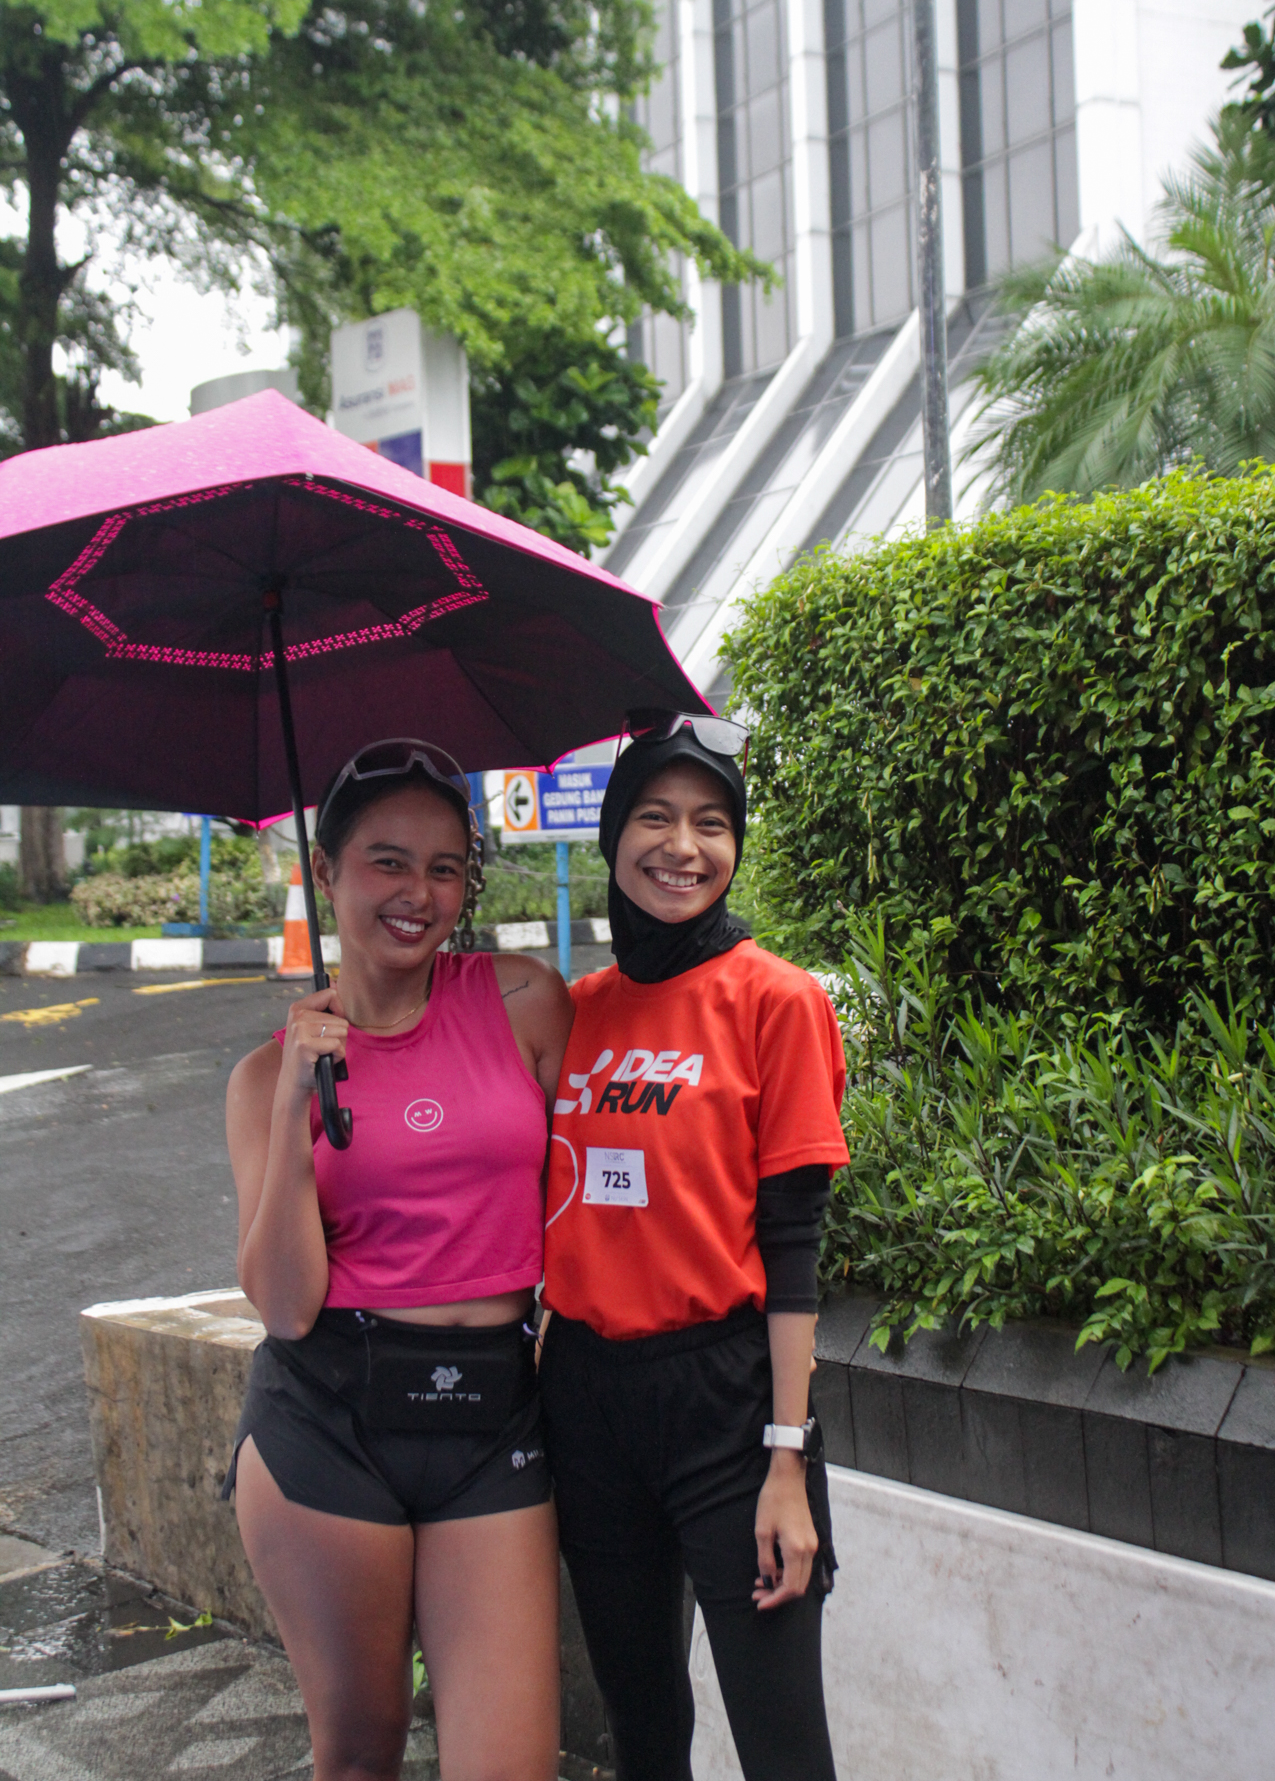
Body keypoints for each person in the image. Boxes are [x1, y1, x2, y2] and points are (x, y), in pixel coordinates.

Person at [223, 740, 574, 1781]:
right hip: (328, 1423)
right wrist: (295, 1106)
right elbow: (284, 1307)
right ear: (324, 871)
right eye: (387, 862)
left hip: (493, 1421)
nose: (419, 895)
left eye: (445, 868)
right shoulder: (263, 1078)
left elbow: (590, 1191)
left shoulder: (523, 1001)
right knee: (360, 1754)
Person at [538, 711, 848, 1781]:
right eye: (655, 818)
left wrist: (785, 1460)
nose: (683, 846)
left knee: (782, 1748)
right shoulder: (573, 1013)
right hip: (585, 1401)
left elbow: (794, 1245)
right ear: (612, 837)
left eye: (712, 824)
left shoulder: (775, 1000)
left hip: (726, 1409)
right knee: (642, 1734)